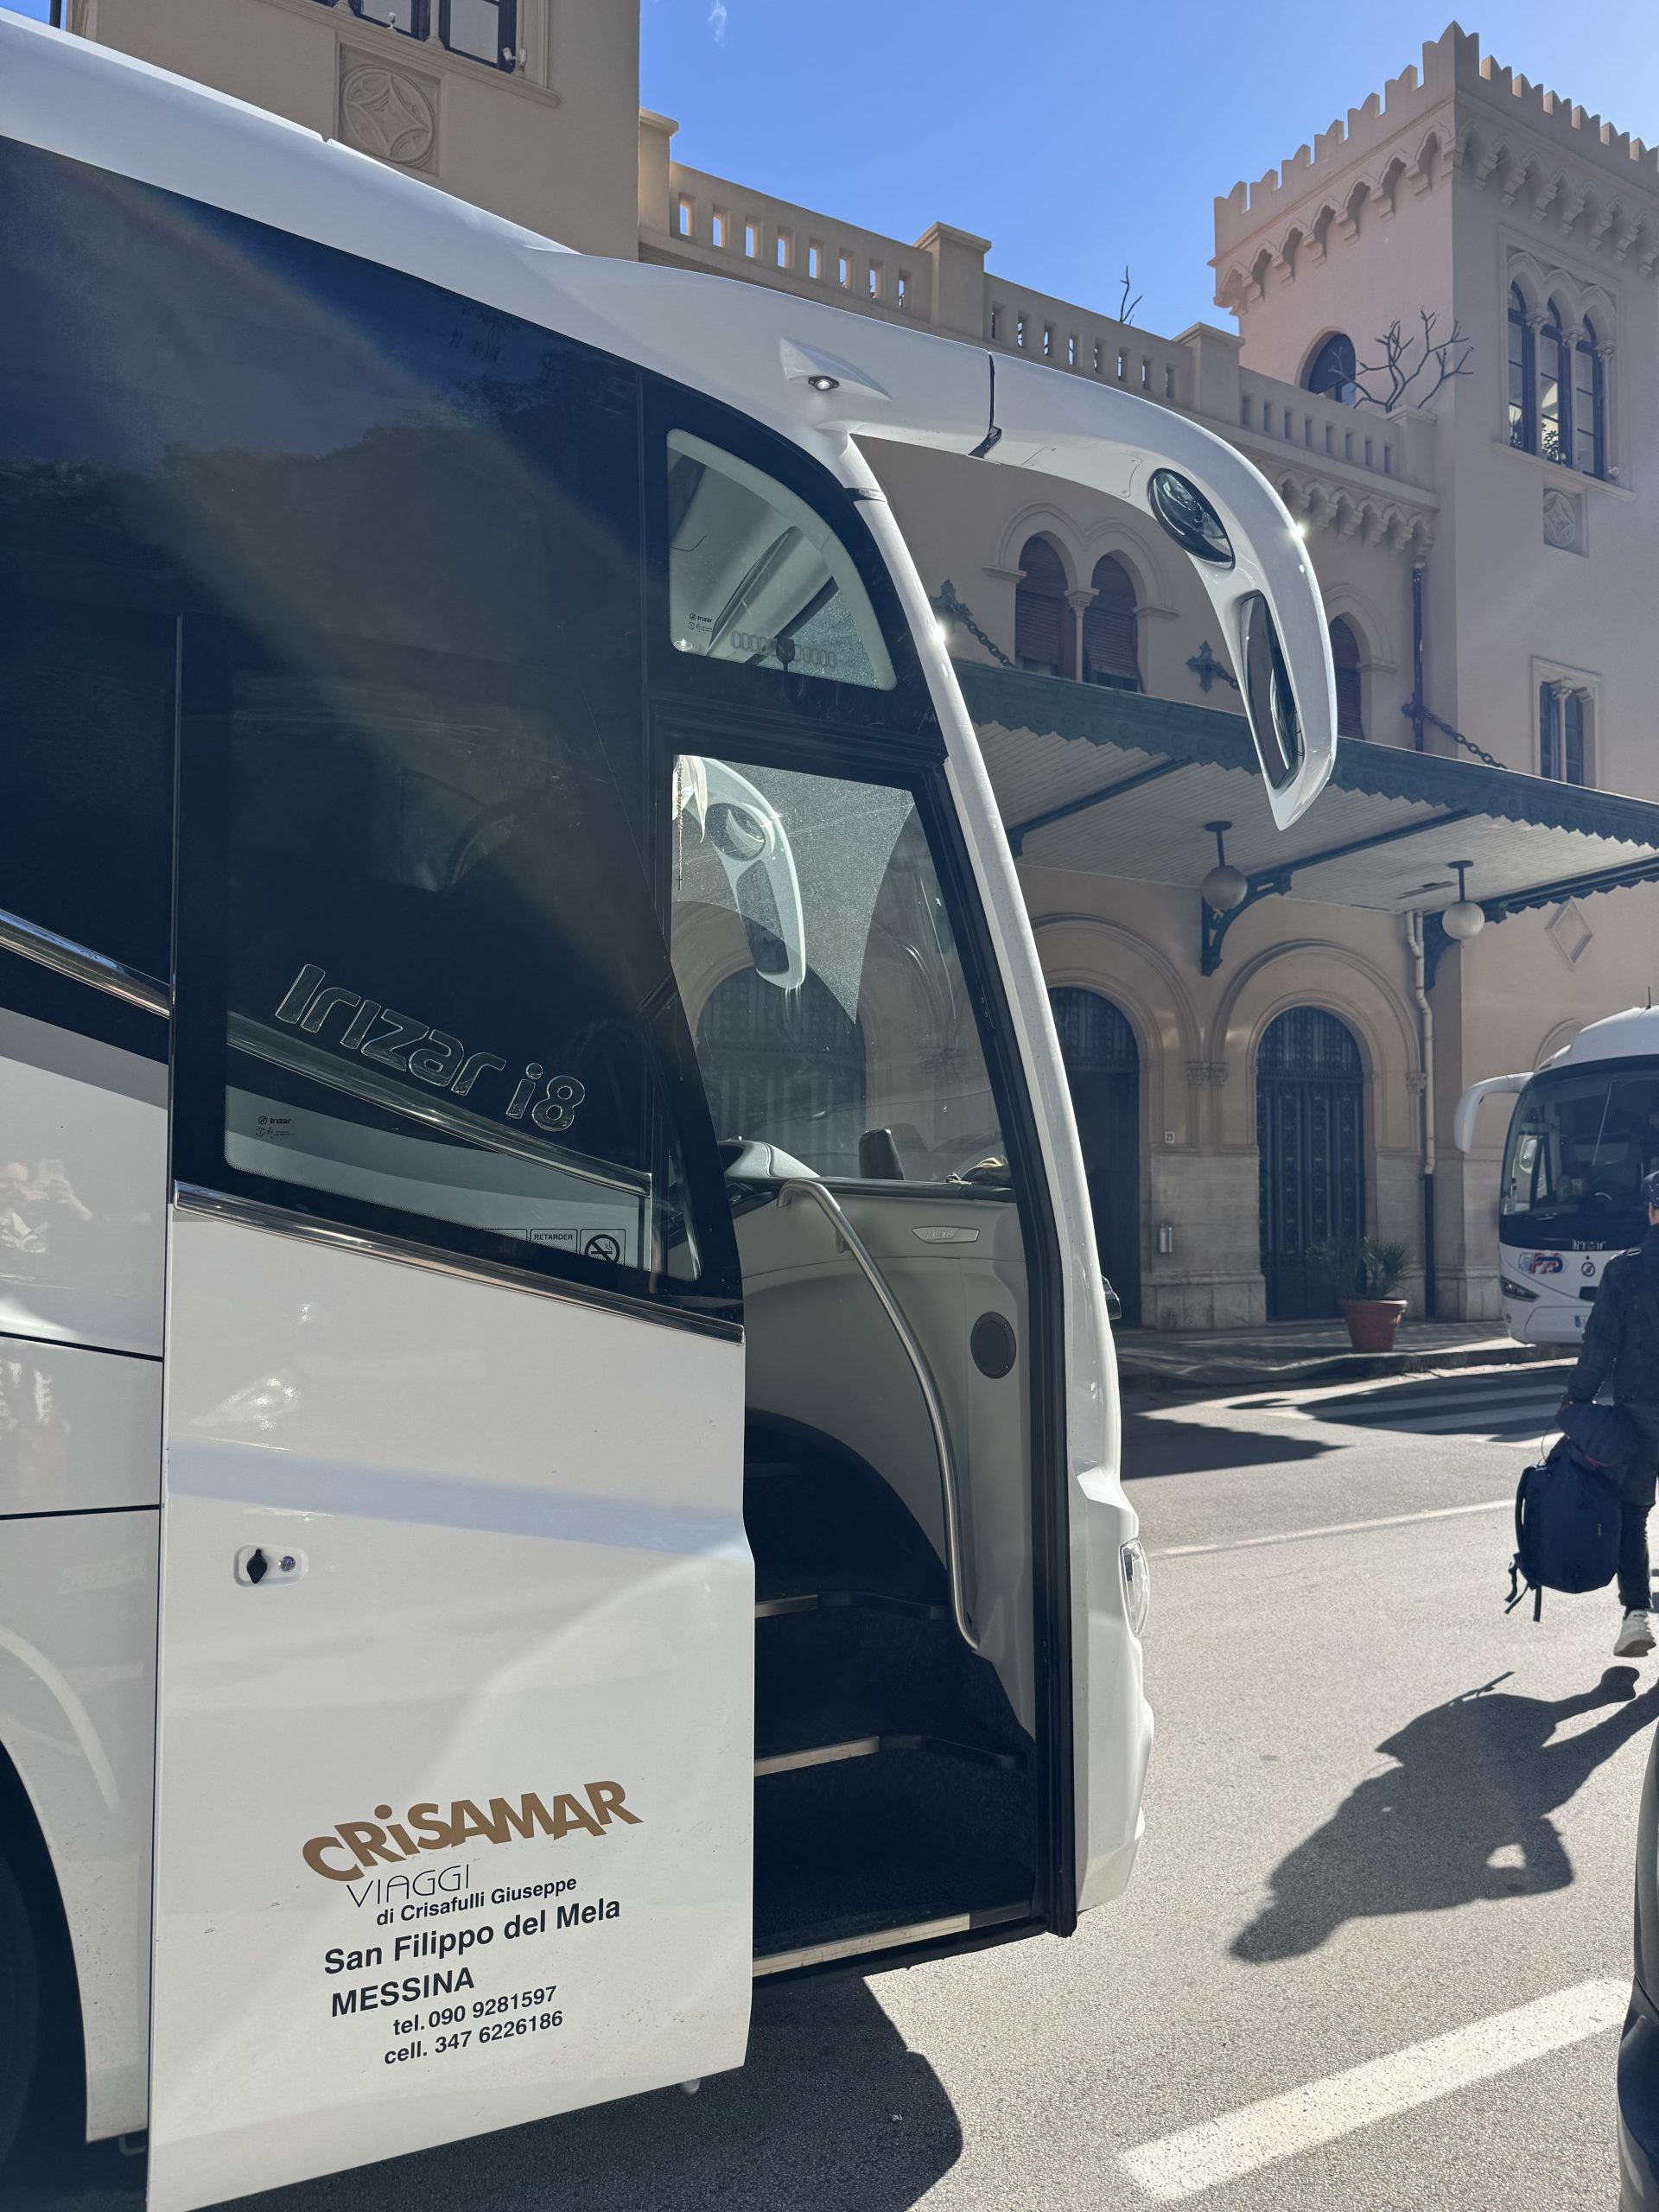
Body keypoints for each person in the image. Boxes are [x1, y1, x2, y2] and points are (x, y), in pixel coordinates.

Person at [1564, 1166, 1659, 1657]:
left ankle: (1636, 1615)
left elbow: (1600, 1344)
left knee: (1632, 1512)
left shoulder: (1624, 1270)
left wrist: (1576, 1399)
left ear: (1651, 1210)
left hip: (1640, 1411)